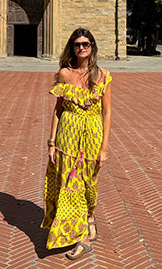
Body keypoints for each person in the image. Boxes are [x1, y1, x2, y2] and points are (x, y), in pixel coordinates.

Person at [41, 28, 112, 261]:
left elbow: (107, 112)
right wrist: (51, 143)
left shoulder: (103, 76)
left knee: (89, 184)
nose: (81, 48)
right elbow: (58, 110)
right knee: (70, 184)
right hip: (67, 137)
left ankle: (89, 216)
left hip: (91, 136)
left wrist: (104, 148)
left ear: (92, 46)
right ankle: (83, 238)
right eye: (77, 44)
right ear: (71, 48)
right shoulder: (64, 74)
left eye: (86, 44)